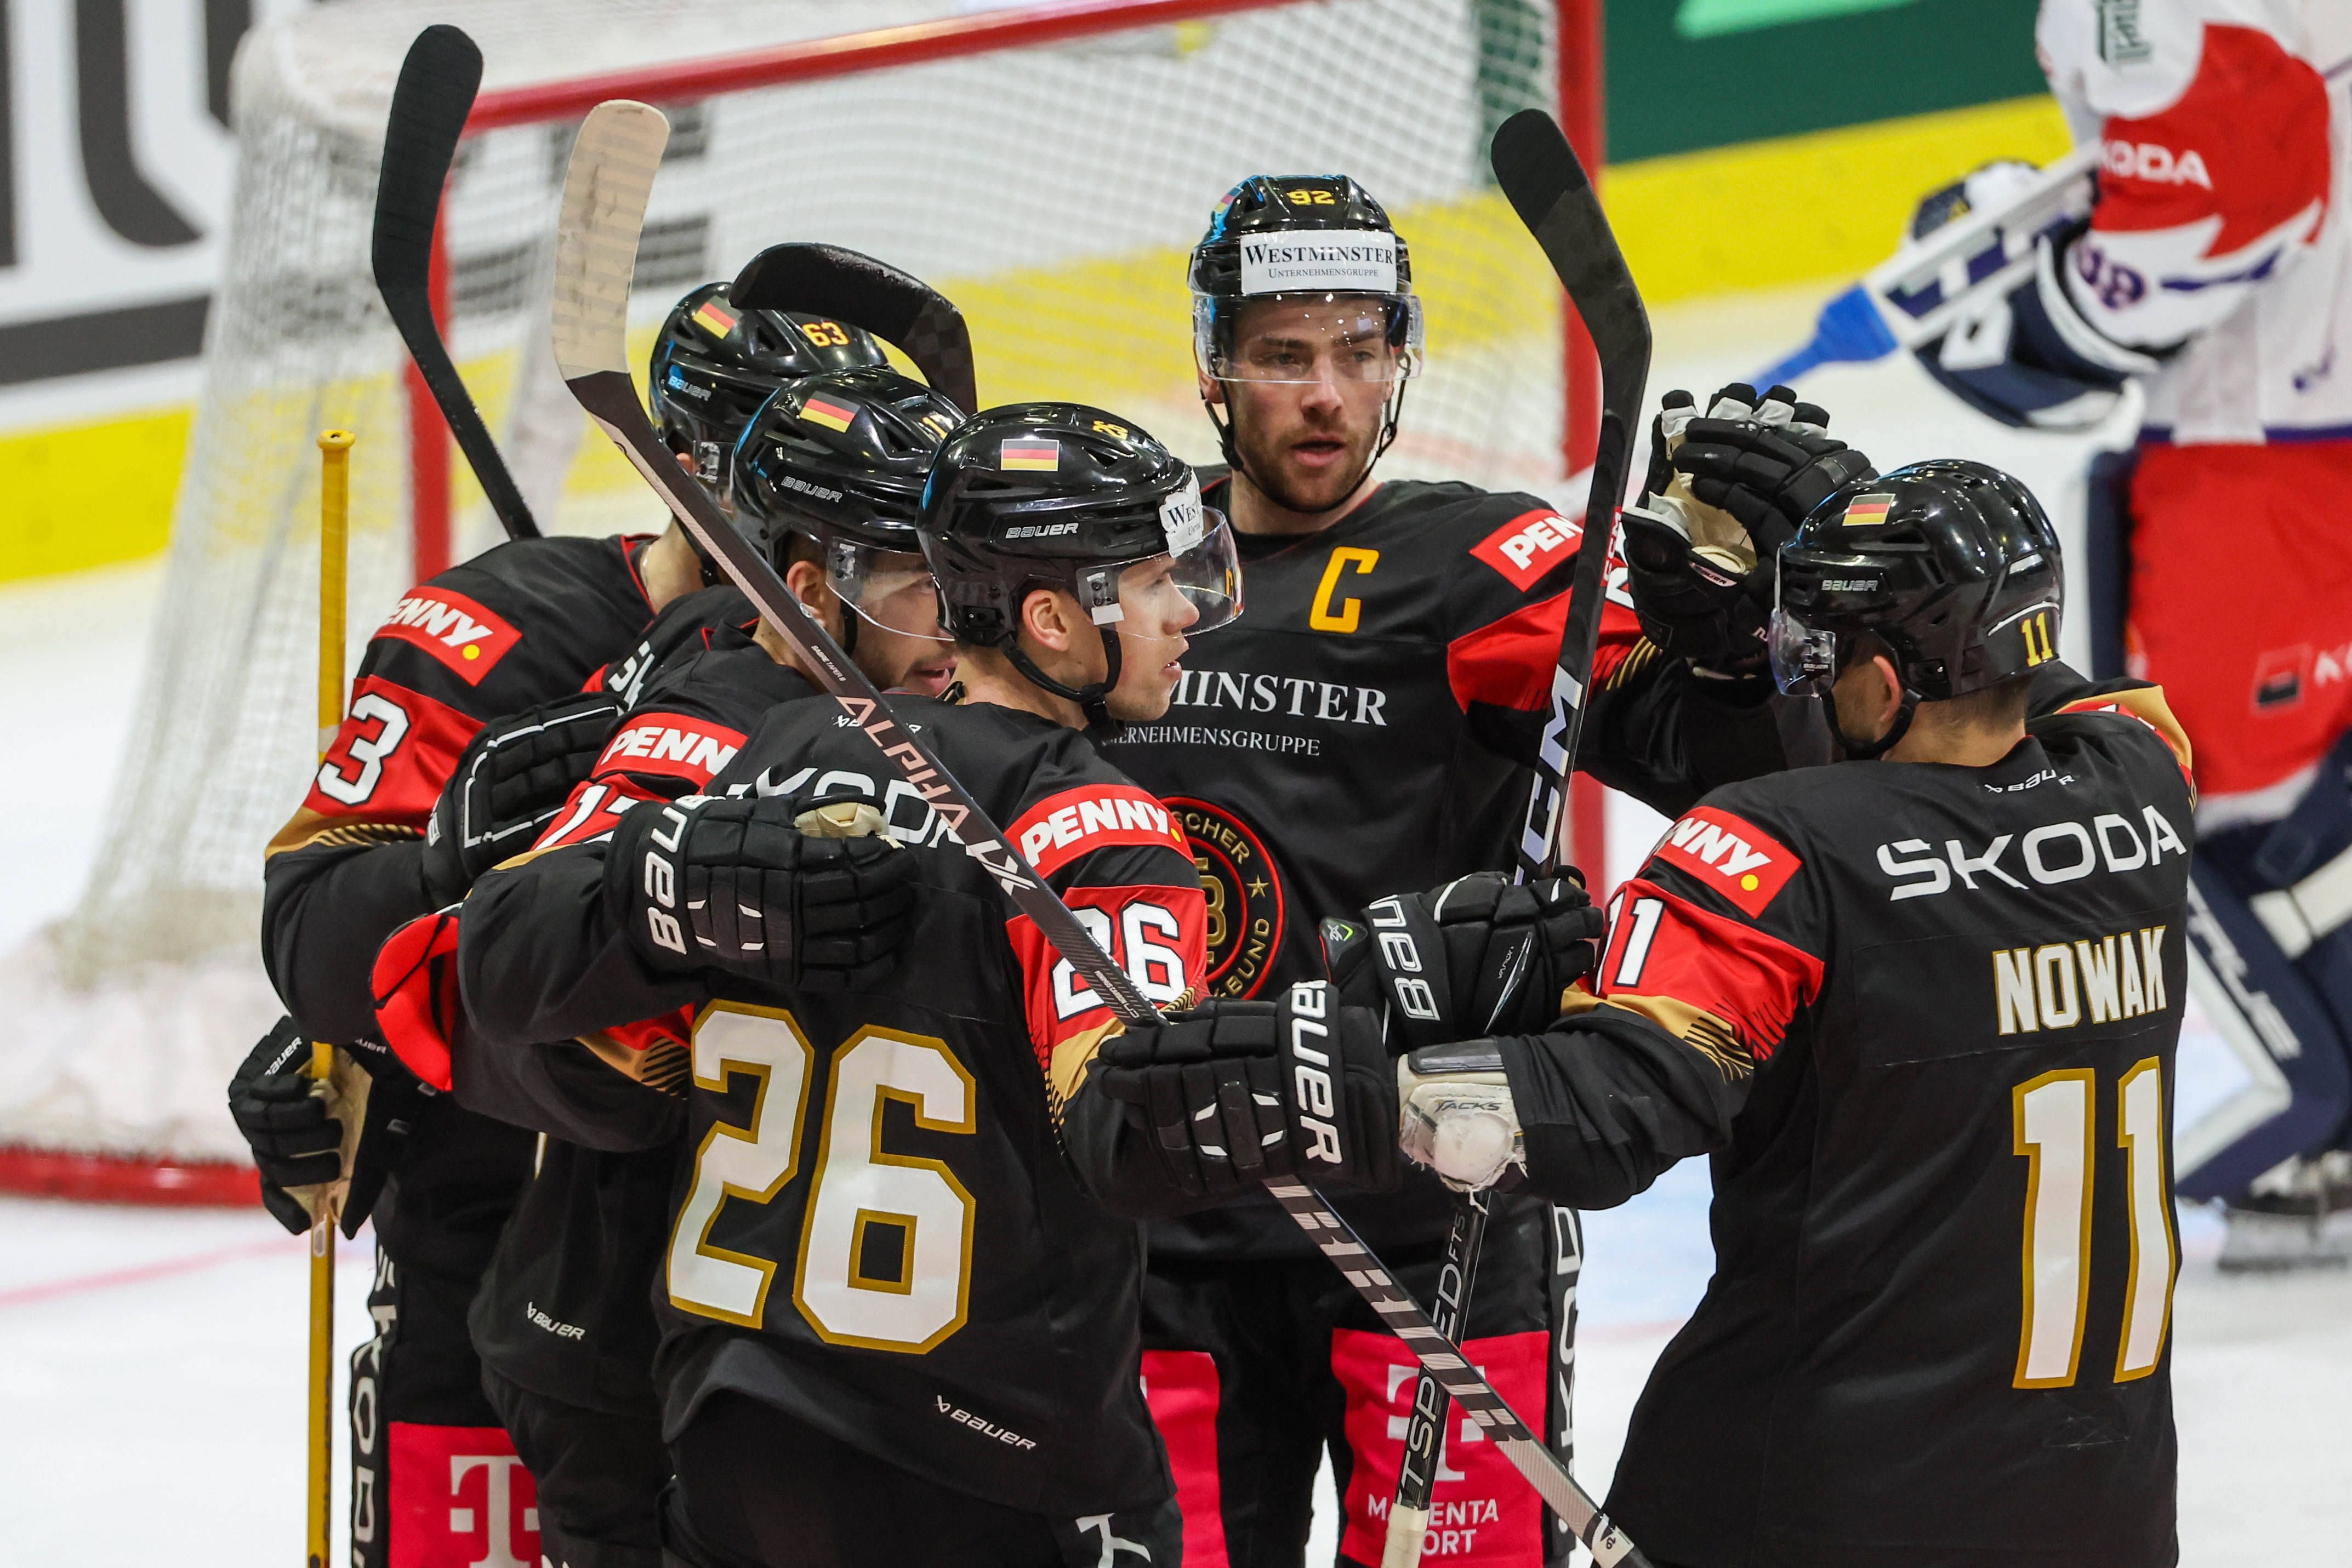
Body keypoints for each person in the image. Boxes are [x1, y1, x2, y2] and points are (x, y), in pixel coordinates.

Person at [1103, 460, 2196, 1567]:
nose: (1790, 683)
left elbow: (1611, 1105)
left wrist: (1328, 1086)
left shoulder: (1782, 847)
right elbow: (2050, 698)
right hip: (2097, 1491)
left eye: (1808, 654)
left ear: (1877, 677)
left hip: (1812, 1491)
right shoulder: (2140, 784)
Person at [1102, 174, 1855, 1567]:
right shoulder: (1122, 569)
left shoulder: (1475, 564)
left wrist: (1740, 648)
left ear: (1402, 355)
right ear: (1214, 363)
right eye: (1281, 354)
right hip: (1175, 1223)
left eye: (1357, 349)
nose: (1324, 393)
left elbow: (1732, 766)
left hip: (1429, 1199)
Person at [380, 404, 1242, 1567]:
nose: (1187, 609)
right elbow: (1137, 1131)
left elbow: (508, 967)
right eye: (1152, 581)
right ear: (1048, 617)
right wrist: (1350, 1081)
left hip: (736, 1415)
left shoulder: (782, 755)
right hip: (986, 1454)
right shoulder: (1101, 828)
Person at [225, 283, 887, 1568]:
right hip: (491, 1270)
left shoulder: (886, 653)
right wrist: (444, 865)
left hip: (778, 1307)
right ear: (687, 468)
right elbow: (314, 944)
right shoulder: (500, 631)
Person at [449, 362, 967, 1568]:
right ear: (803, 589)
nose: (952, 618)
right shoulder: (713, 708)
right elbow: (509, 950)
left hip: (804, 1360)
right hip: (618, 1338)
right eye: (912, 582)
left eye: (965, 573)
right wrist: (674, 889)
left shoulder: (952, 708)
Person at [1904, 0, 2350, 1264]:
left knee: (2218, 794)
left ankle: (2323, 1121)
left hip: (2263, 454)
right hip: (2306, 442)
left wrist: (2037, 313)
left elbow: (2229, 200)